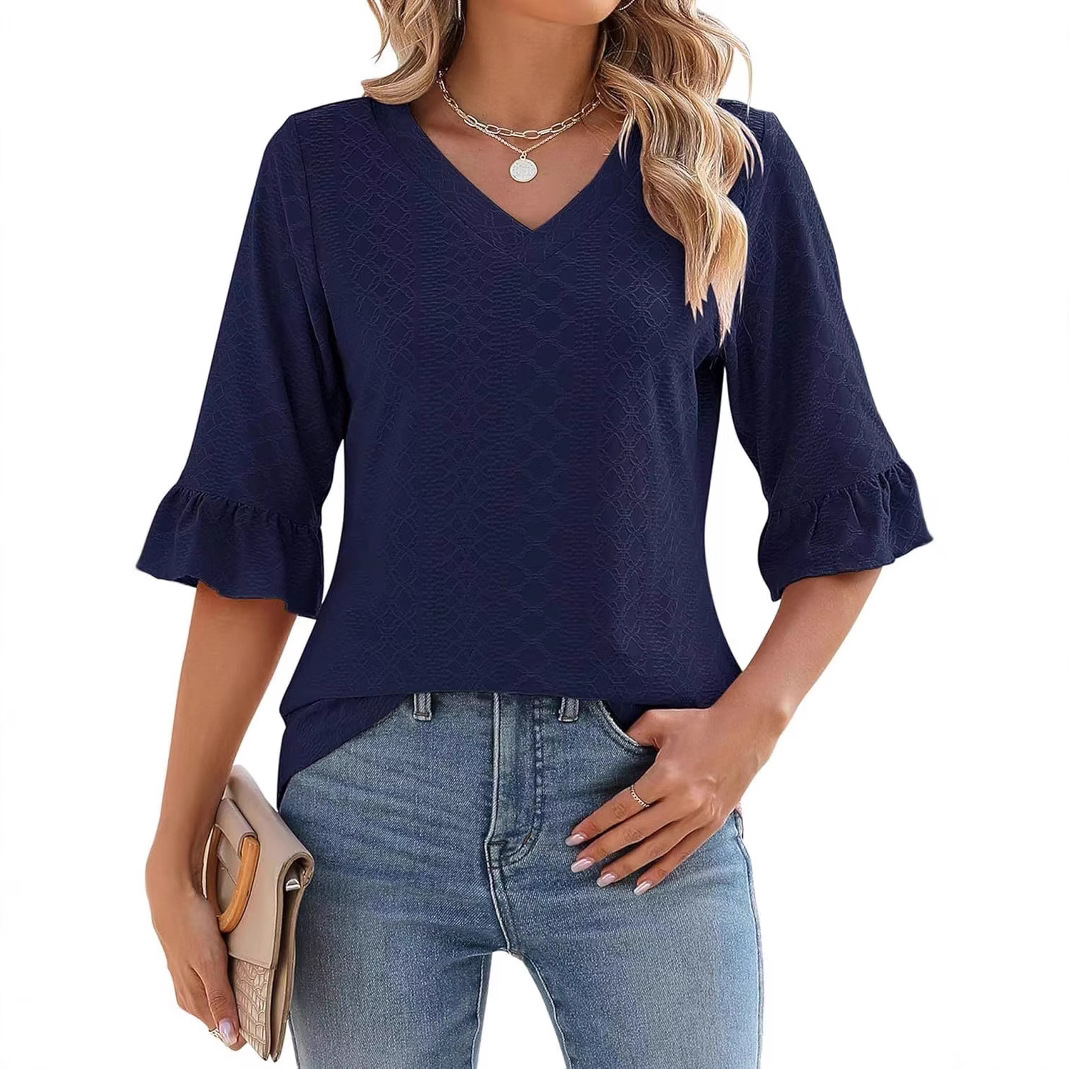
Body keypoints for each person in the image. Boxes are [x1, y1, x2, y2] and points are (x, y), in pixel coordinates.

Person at [137, 2, 933, 1066]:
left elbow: (842, 497)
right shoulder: (322, 170)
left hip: (644, 800)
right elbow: (253, 534)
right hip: (372, 805)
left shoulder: (726, 164)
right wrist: (173, 847)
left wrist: (747, 730)